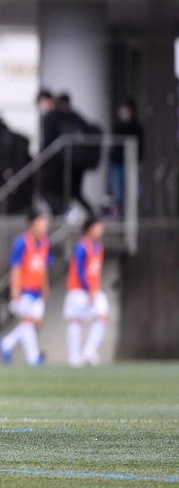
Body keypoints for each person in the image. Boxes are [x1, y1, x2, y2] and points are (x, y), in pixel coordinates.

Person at [0, 212, 52, 366]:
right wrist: (15, 291)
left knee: (34, 323)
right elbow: (15, 267)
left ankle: (6, 343)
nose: (45, 225)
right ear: (33, 223)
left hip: (37, 291)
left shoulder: (45, 243)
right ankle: (33, 358)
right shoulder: (22, 242)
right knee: (28, 321)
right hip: (24, 290)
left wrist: (45, 286)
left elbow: (44, 268)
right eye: (42, 221)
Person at [64, 218, 108, 367]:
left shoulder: (99, 246)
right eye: (98, 227)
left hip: (94, 290)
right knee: (77, 320)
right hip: (79, 289)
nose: (101, 230)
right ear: (89, 229)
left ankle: (89, 351)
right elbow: (80, 270)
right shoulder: (82, 247)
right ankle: (74, 357)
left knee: (103, 316)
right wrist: (88, 288)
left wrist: (93, 288)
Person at [109, 97, 144, 218]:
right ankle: (119, 215)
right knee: (118, 193)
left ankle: (133, 216)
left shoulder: (136, 127)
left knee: (133, 192)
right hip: (117, 162)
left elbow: (140, 147)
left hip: (131, 163)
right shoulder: (118, 126)